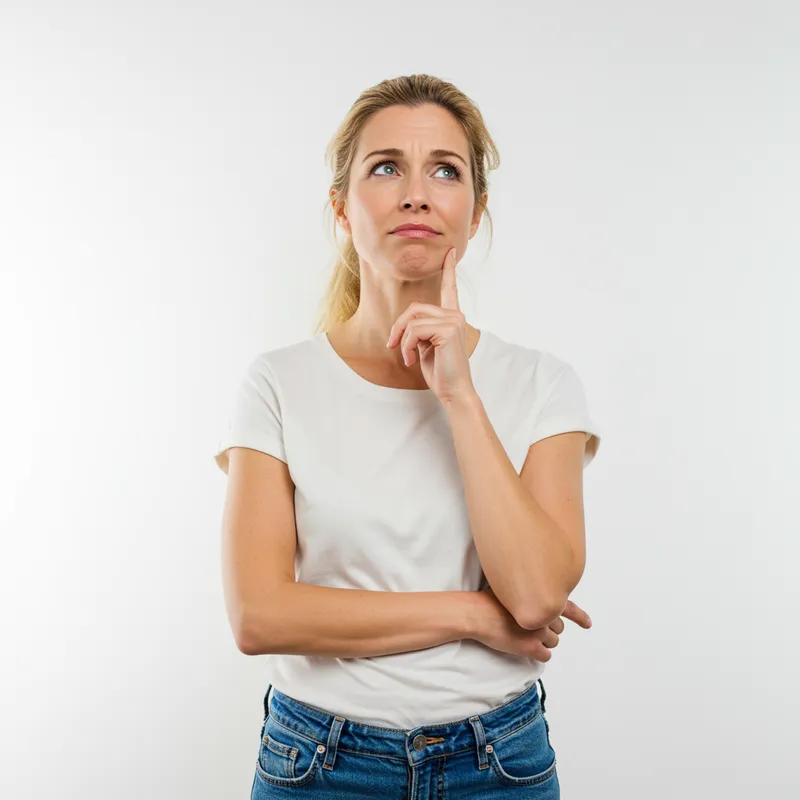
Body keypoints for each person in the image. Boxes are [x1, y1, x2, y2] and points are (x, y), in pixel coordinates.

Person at [214, 73, 602, 799]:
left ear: (475, 211)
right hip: (320, 765)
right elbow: (259, 614)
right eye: (386, 167)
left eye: (445, 171)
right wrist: (470, 616)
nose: (416, 193)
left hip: (499, 765)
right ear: (341, 205)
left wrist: (458, 394)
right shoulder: (277, 383)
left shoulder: (543, 383)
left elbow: (536, 593)